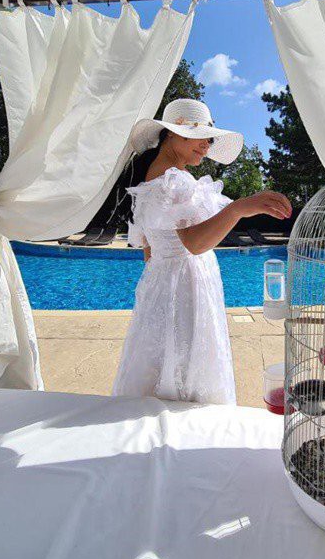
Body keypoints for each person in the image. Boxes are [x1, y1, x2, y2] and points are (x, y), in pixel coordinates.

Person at [111, 99, 292, 404]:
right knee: (189, 367)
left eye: (210, 139)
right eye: (202, 136)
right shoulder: (175, 180)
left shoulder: (148, 181)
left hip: (161, 284)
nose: (207, 145)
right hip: (186, 285)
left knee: (160, 361)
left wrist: (164, 285)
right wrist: (239, 208)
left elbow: (149, 251)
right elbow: (195, 244)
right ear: (172, 133)